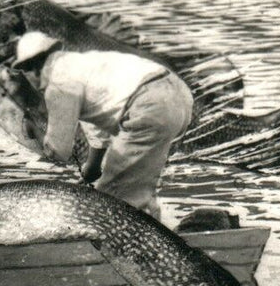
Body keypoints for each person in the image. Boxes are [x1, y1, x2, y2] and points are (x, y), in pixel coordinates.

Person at [10, 30, 193, 220]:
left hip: (149, 104)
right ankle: (156, 237)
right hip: (177, 95)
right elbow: (99, 129)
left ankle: (133, 244)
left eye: (25, 71)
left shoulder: (59, 83)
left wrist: (34, 131)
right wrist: (92, 168)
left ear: (33, 67)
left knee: (110, 200)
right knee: (135, 185)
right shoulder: (84, 64)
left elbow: (58, 151)